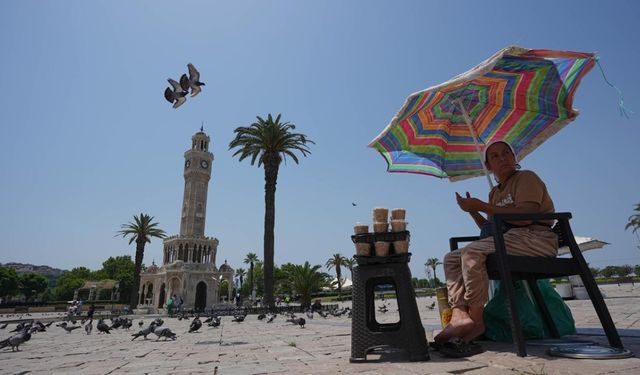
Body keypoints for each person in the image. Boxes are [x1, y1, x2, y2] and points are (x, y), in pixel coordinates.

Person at [434, 140, 558, 351]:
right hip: (509, 240)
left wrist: (482, 205)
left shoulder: (526, 178)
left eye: (506, 153)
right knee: (452, 258)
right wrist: (473, 211)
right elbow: (490, 227)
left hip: (536, 238)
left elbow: (526, 217)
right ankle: (460, 314)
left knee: (472, 252)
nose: (502, 158)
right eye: (495, 156)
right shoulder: (495, 193)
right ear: (488, 166)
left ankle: (476, 320)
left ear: (514, 157)